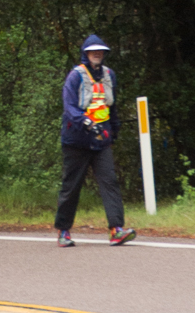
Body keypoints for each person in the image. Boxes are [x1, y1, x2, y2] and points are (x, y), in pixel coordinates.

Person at [55, 35, 136, 247]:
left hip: (101, 141)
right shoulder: (76, 76)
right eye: (93, 51)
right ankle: (64, 231)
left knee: (110, 182)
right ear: (86, 53)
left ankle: (116, 230)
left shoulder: (110, 75)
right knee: (71, 186)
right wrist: (87, 123)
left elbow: (112, 107)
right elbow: (69, 107)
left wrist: (114, 132)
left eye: (100, 51)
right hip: (76, 140)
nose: (97, 54)